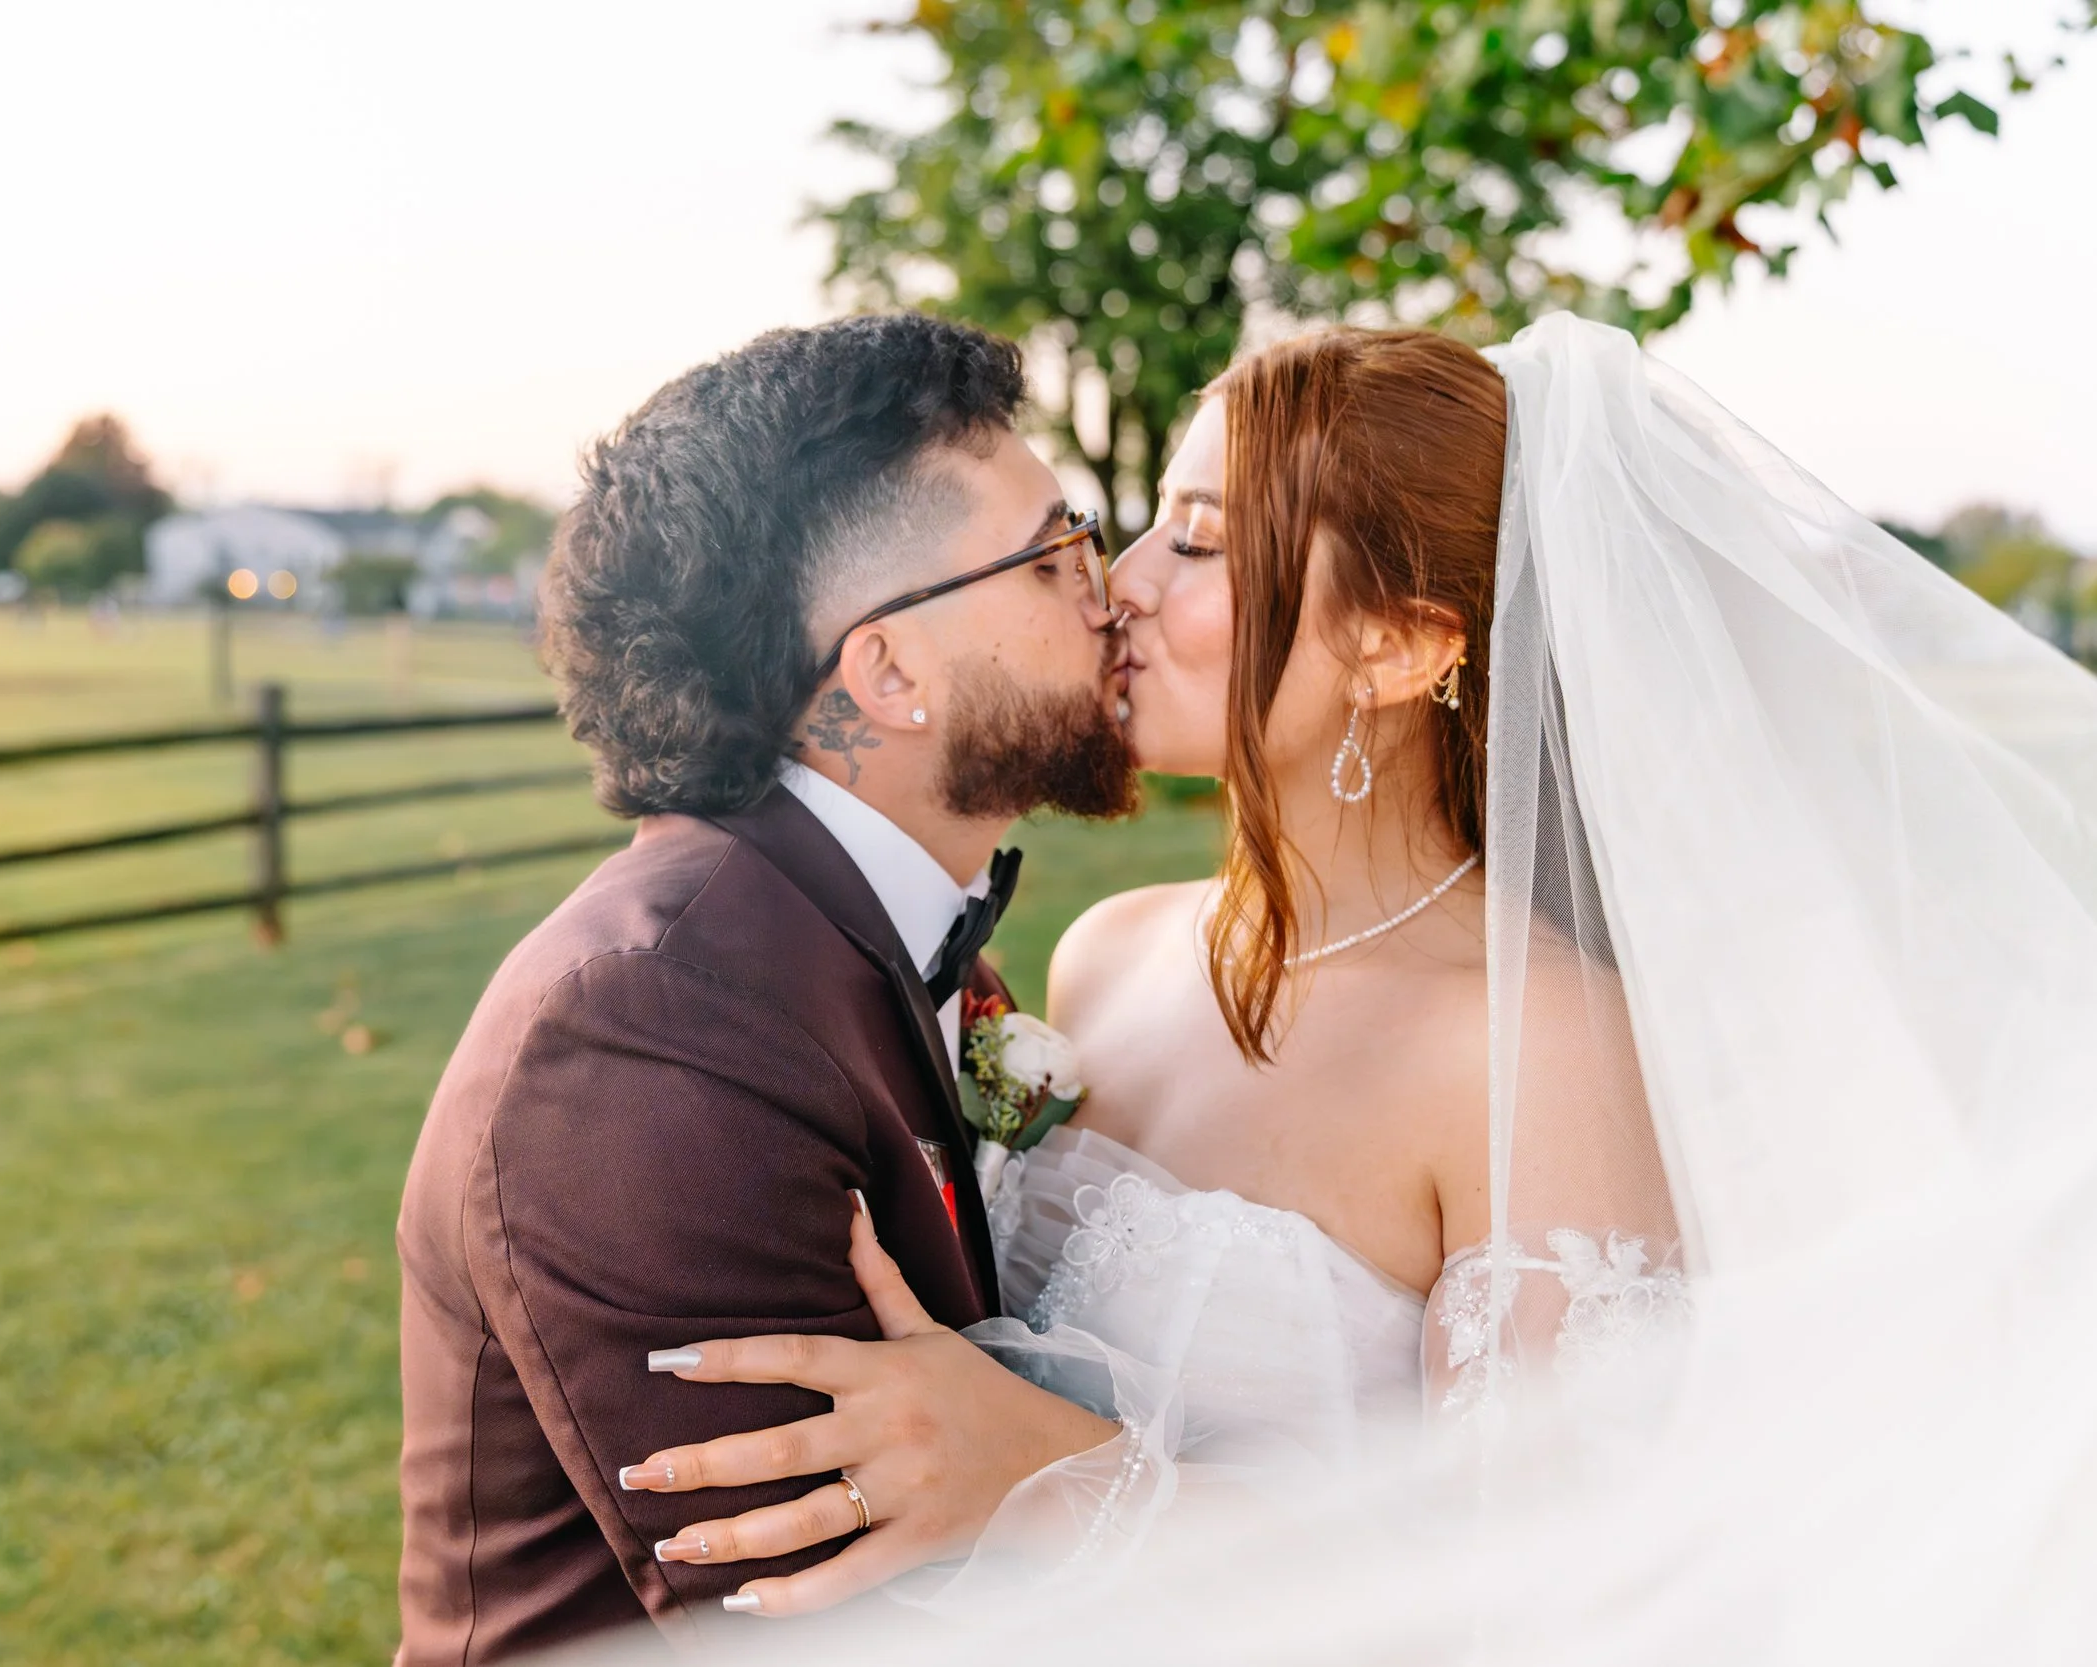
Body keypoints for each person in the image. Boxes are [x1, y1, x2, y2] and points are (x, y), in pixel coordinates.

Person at [625, 313, 2097, 1656]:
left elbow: (1549, 1589)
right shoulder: (1110, 950)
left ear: (1396, 646)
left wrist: (1046, 1474)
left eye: (1196, 545)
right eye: (1141, 530)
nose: (1115, 588)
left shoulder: (1537, 1050)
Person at [392, 312, 1135, 1664]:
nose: (1113, 588)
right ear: (888, 670)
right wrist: (1091, 1478)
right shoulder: (645, 1032)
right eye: (1056, 552)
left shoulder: (860, 933)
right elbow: (841, 1628)